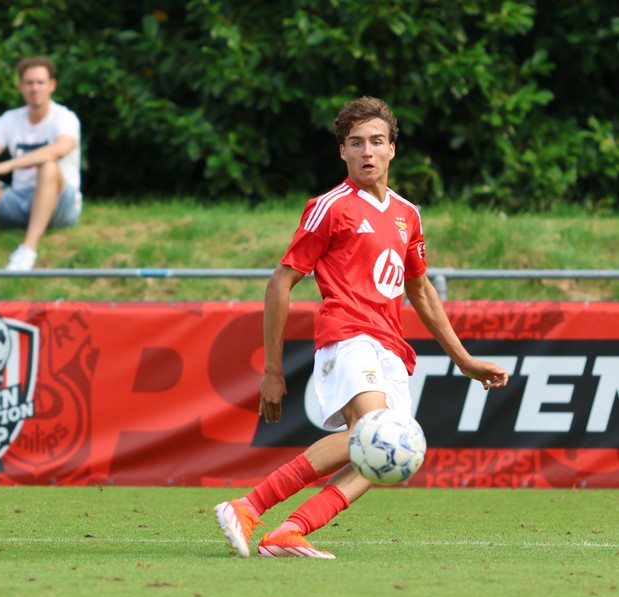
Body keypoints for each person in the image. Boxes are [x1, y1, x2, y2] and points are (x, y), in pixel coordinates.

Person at [214, 96, 509, 559]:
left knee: (390, 454)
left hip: (392, 348)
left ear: (393, 149)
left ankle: (289, 531)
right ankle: (247, 507)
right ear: (343, 152)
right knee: (376, 433)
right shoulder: (329, 206)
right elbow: (280, 282)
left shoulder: (407, 214)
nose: (367, 152)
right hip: (348, 335)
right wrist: (273, 369)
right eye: (356, 143)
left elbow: (421, 290)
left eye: (376, 142)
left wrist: (464, 359)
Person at [0, 56, 82, 271]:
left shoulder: (66, 118)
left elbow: (58, 149)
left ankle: (28, 250)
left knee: (49, 167)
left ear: (52, 85)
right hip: (19, 200)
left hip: (62, 205)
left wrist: (5, 167)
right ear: (20, 86)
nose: (35, 88)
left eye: (40, 82)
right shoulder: (9, 119)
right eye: (29, 83)